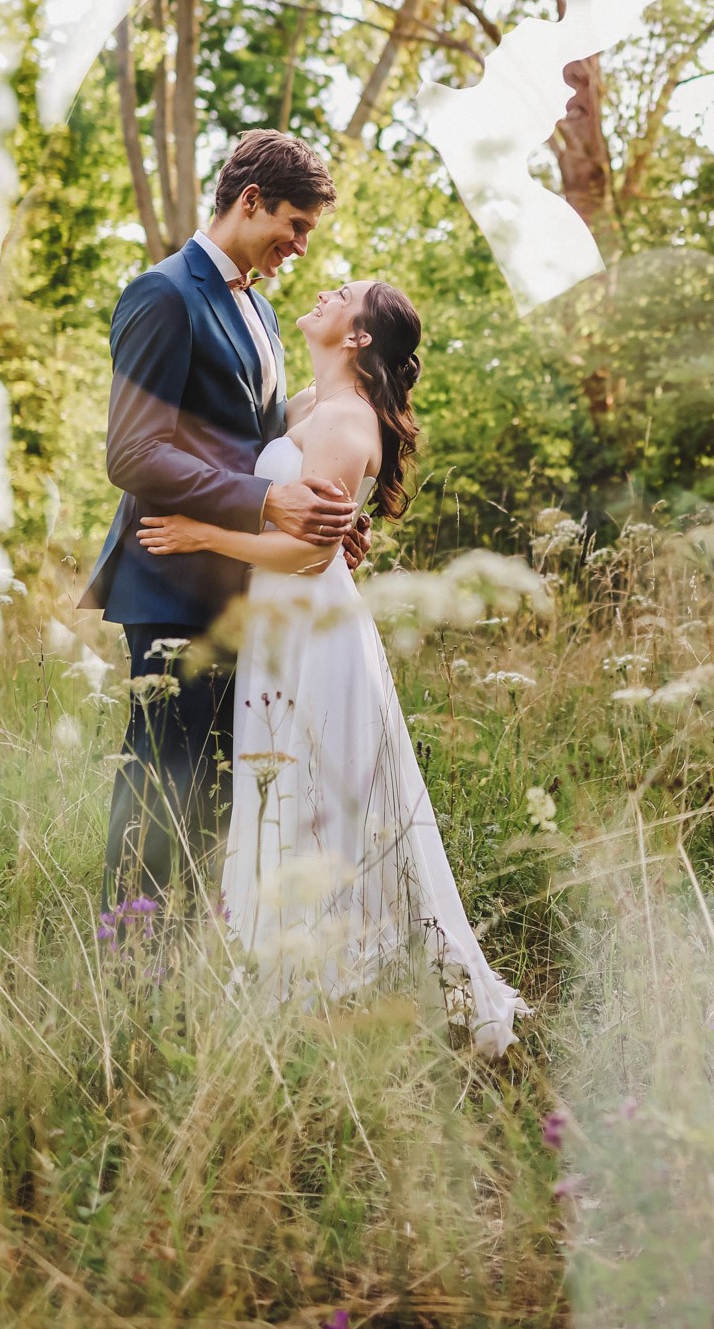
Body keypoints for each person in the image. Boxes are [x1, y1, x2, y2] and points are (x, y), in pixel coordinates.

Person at [137, 278, 532, 1058]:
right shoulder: (306, 410)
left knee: (324, 802)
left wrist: (199, 536)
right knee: (283, 793)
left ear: (358, 337)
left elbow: (309, 553)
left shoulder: (348, 421)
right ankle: (287, 972)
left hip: (314, 629)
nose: (323, 290)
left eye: (343, 293)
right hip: (281, 626)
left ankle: (349, 983)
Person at [83, 129, 368, 907]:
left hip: (246, 590)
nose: (302, 246)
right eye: (297, 225)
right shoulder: (163, 293)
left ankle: (192, 958)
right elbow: (133, 455)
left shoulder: (264, 314)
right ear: (251, 201)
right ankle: (131, 958)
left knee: (214, 790)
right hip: (171, 583)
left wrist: (325, 510)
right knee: (158, 783)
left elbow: (262, 444)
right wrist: (266, 500)